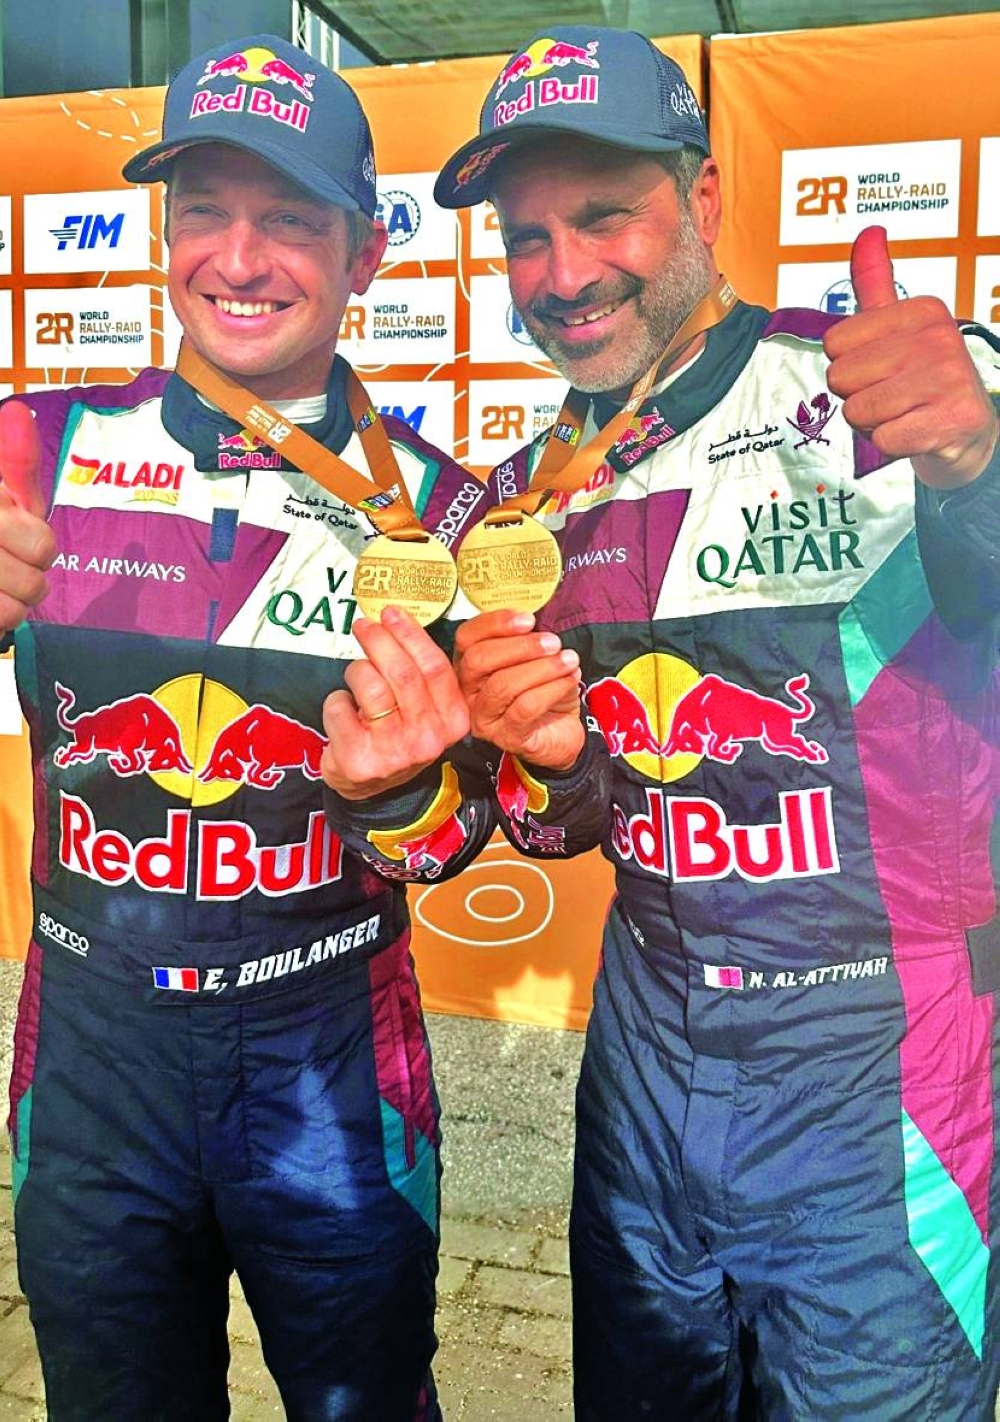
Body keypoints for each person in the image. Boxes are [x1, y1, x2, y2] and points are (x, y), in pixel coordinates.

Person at [328, 23, 1000, 1421]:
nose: (564, 276)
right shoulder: (520, 502)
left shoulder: (888, 387)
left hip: (885, 1074)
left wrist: (980, 454)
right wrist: (541, 767)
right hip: (643, 1075)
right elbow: (550, 823)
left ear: (701, 203)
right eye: (526, 239)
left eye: (602, 215)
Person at [0, 32, 519, 1421]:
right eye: (206, 212)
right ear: (164, 236)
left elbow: (484, 820)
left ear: (366, 255)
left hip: (331, 1049)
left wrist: (404, 796)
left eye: (290, 219)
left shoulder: (444, 513)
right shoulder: (31, 449)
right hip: (92, 1054)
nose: (241, 257)